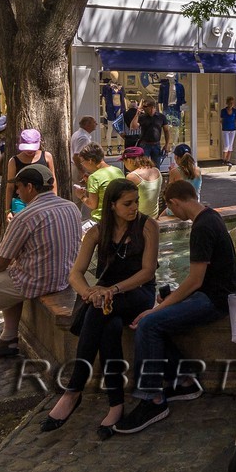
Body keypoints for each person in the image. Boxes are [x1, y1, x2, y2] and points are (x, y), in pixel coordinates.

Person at [114, 180, 236, 434]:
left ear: (173, 203)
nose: (173, 214)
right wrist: (173, 298)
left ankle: (153, 400)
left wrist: (157, 309)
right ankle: (184, 381)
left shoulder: (202, 227)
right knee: (156, 321)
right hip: (214, 293)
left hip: (215, 301)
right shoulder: (210, 217)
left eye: (171, 209)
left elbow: (195, 279)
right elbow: (202, 277)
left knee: (148, 323)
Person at [41, 178, 159, 437]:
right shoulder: (97, 232)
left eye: (136, 202)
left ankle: (73, 390)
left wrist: (111, 290)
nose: (134, 208)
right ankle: (116, 405)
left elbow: (148, 272)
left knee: (100, 310)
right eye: (127, 203)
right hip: (106, 298)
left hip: (138, 293)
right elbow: (76, 274)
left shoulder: (148, 226)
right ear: (113, 205)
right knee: (108, 326)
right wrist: (88, 293)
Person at [0, 162, 80, 382]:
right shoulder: (71, 207)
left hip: (37, 281)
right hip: (64, 277)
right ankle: (9, 338)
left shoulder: (25, 216)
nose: (17, 193)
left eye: (18, 188)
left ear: (30, 187)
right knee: (8, 276)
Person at [2, 128, 58, 221]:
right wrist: (7, 210)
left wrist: (54, 199)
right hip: (20, 202)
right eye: (27, 148)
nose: (29, 151)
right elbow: (10, 186)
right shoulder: (14, 161)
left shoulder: (47, 156)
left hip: (43, 200)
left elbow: (53, 180)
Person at [72, 143, 125, 223]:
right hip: (119, 217)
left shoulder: (94, 178)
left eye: (82, 162)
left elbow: (92, 205)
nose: (83, 166)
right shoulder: (118, 171)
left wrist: (81, 196)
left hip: (101, 220)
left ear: (90, 160)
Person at [121, 146, 165, 217]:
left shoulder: (132, 176)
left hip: (137, 219)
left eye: (124, 161)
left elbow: (126, 200)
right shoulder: (156, 171)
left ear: (129, 161)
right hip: (154, 218)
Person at [132, 98, 170, 172]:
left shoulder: (161, 117)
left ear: (154, 107)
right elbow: (133, 127)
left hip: (156, 145)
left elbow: (166, 131)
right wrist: (138, 112)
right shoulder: (142, 117)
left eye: (152, 108)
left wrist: (167, 144)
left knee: (156, 167)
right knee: (143, 167)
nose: (150, 110)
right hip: (145, 144)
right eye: (147, 108)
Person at [220, 96, 236, 167]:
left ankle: (228, 160)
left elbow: (235, 119)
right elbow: (221, 120)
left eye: (232, 103)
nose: (231, 104)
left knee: (230, 146)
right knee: (226, 145)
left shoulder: (235, 111)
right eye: (230, 103)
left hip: (232, 129)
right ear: (227, 103)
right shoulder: (223, 111)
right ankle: (223, 159)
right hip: (225, 130)